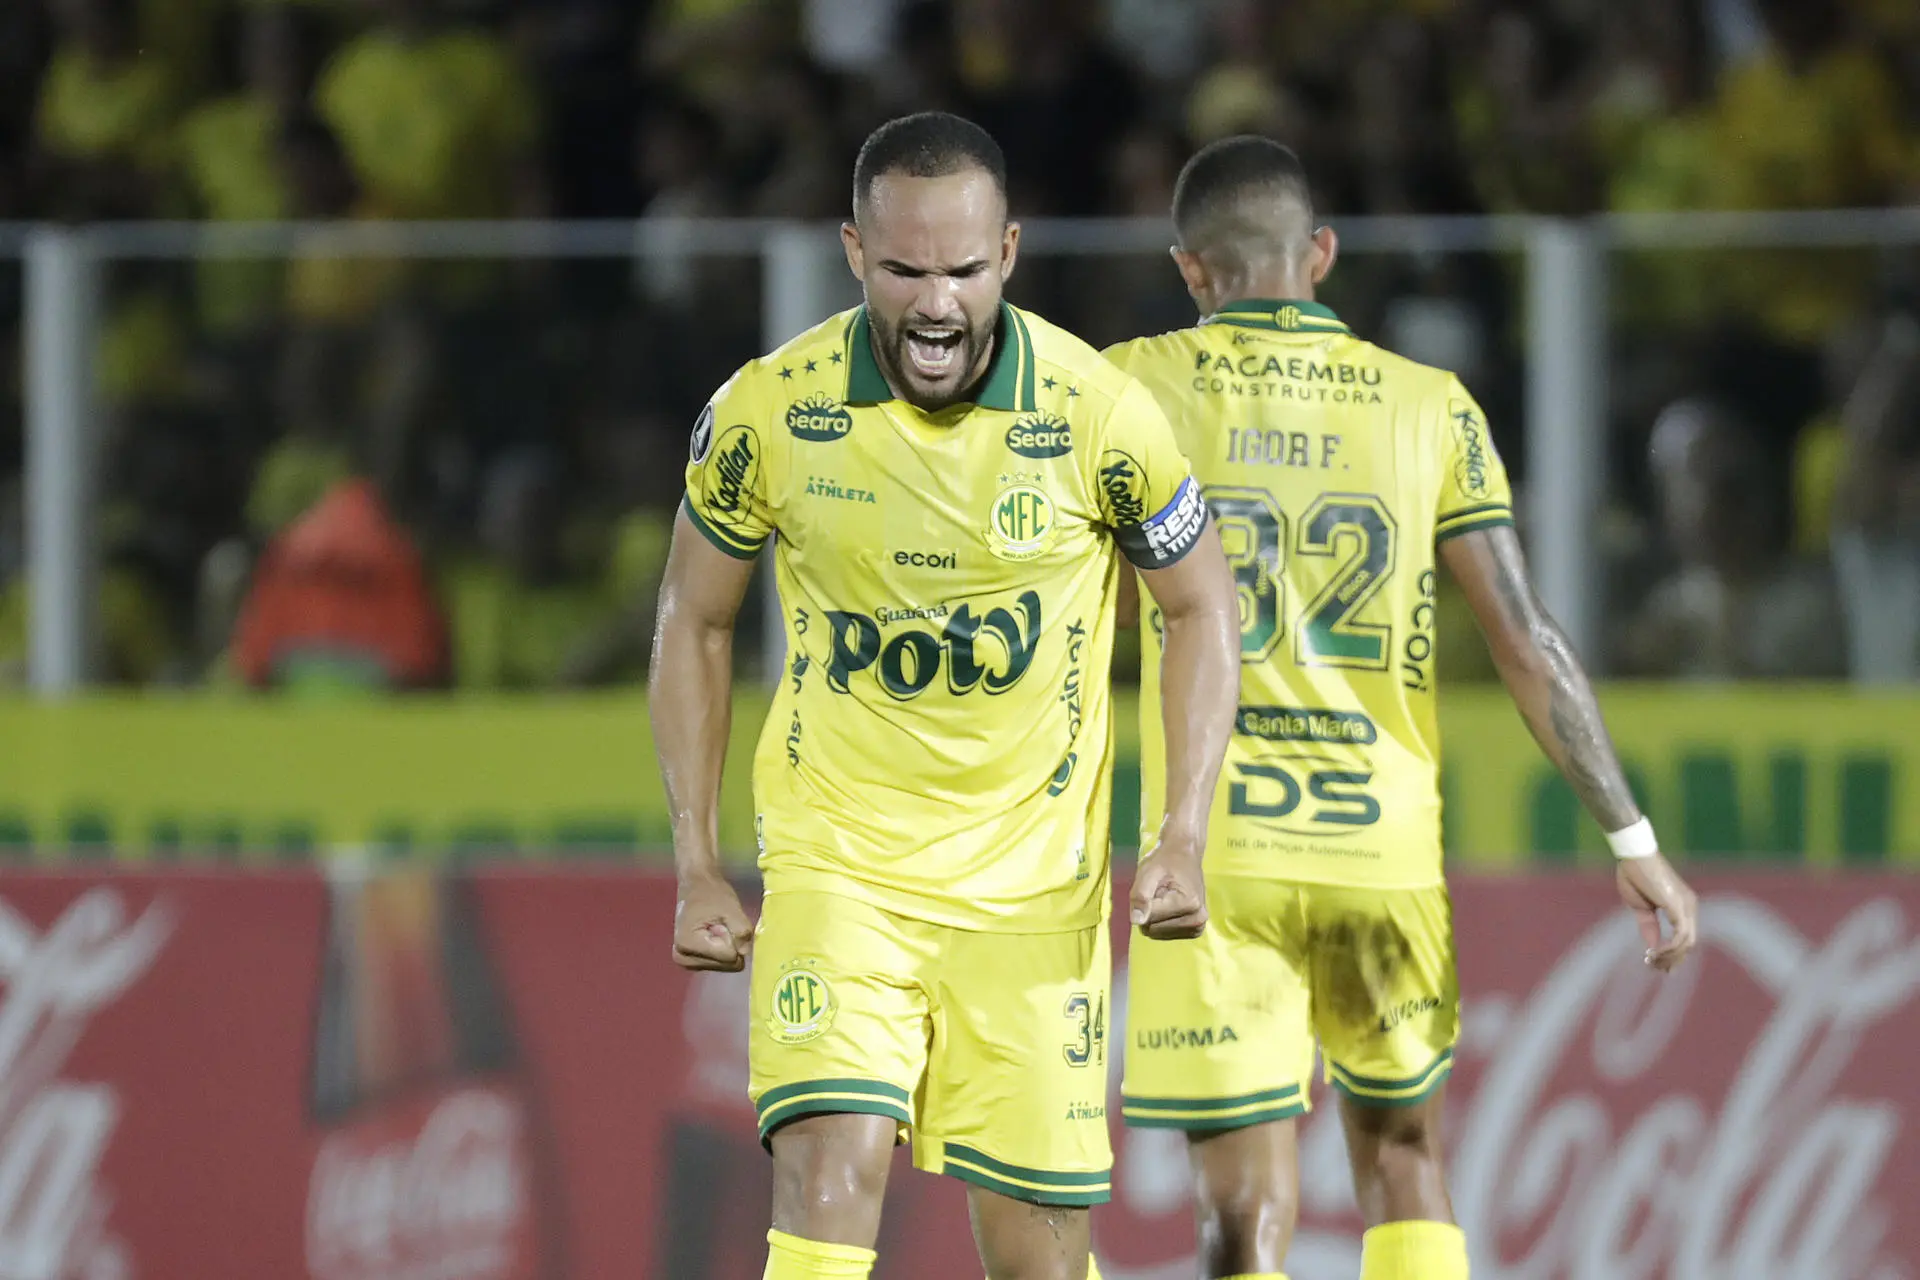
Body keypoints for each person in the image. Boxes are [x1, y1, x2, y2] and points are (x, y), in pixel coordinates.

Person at [648, 112, 1239, 1280]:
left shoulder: (1099, 415)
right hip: (839, 870)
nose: (935, 303)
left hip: (1031, 899)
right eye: (906, 269)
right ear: (855, 252)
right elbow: (692, 615)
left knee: (1037, 1259)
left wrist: (1182, 831)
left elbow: (1202, 607)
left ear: (1008, 253)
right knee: (828, 1170)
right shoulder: (773, 412)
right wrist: (696, 855)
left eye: (963, 270)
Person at [1104, 136, 1700, 1280]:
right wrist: (1634, 839)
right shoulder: (1431, 404)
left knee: (1240, 1209)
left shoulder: (1130, 383)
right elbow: (1527, 641)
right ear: (1320, 254)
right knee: (1405, 1157)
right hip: (1375, 844)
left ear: (1191, 270)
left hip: (1213, 849)